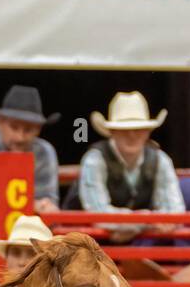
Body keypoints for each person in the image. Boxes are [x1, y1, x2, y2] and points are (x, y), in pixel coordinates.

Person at [69, 92, 184, 243]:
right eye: (123, 130)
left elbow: (175, 213)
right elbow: (98, 215)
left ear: (148, 132)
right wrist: (146, 220)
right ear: (112, 132)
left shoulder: (160, 160)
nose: (131, 135)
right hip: (93, 245)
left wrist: (132, 227)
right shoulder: (94, 159)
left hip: (139, 244)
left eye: (139, 129)